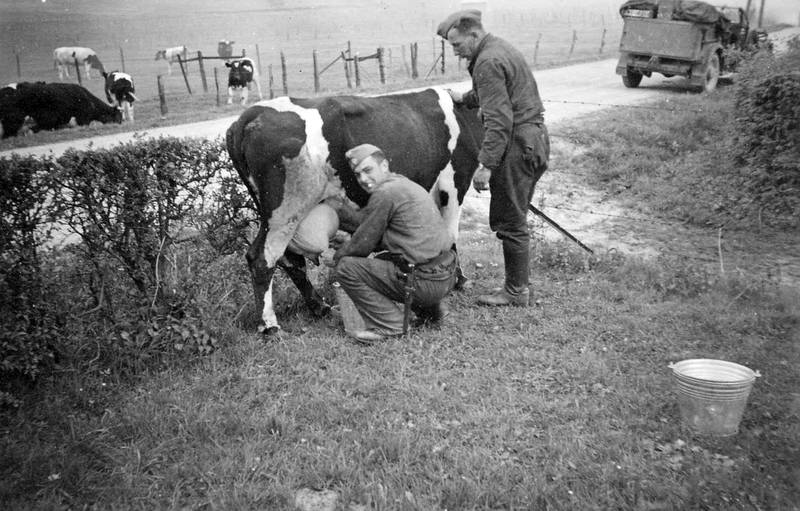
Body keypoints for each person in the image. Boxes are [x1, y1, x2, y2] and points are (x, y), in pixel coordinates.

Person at [437, 9, 550, 307]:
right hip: (532, 138)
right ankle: (519, 286)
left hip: (516, 144)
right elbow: (498, 94)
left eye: (458, 45)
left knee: (510, 221)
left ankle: (516, 292)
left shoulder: (486, 61)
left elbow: (499, 121)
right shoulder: (498, 48)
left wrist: (485, 165)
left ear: (474, 35)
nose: (456, 53)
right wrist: (466, 98)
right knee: (514, 216)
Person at [332, 143, 458, 343]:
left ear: (383, 166)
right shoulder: (402, 184)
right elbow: (395, 233)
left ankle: (391, 325)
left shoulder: (385, 193)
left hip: (425, 283)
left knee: (346, 267)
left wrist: (339, 254)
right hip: (446, 275)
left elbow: (362, 245)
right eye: (358, 175)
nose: (363, 179)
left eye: (368, 170)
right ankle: (433, 312)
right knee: (389, 257)